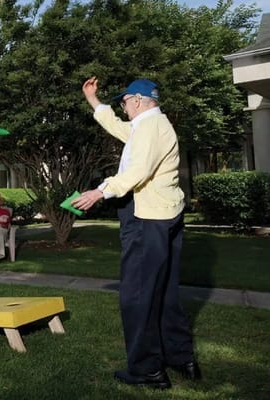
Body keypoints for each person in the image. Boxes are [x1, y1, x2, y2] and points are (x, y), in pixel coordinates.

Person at [72, 77, 199, 390]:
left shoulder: (151, 128)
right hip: (163, 216)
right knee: (165, 293)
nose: (123, 106)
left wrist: (100, 191)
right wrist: (93, 100)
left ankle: (147, 369)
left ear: (140, 100)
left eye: (125, 101)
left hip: (146, 219)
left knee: (138, 296)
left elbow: (138, 170)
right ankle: (181, 358)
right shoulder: (150, 126)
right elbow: (118, 127)